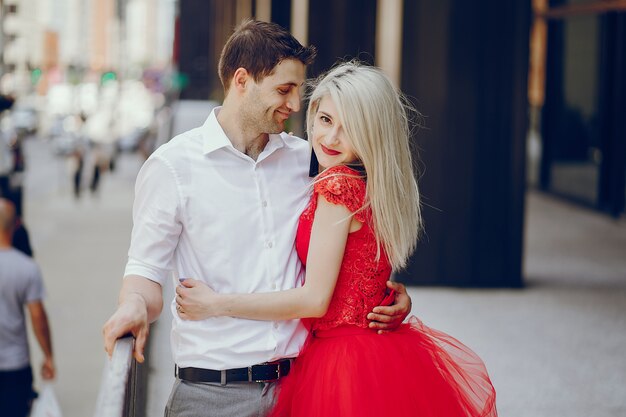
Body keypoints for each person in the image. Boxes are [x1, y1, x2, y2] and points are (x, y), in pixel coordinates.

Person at [102, 19, 412, 417]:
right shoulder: (172, 167)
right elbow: (145, 269)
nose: (296, 105)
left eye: (299, 90)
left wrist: (387, 295)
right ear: (243, 81)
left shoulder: (311, 160)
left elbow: (355, 244)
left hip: (302, 386)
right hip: (212, 394)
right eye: (284, 90)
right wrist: (132, 305)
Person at [175, 62, 499, 417]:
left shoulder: (337, 186)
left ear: (373, 134)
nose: (329, 139)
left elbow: (314, 299)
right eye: (325, 120)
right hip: (379, 354)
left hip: (342, 362)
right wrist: (395, 298)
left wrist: (216, 304)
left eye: (350, 129)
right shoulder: (376, 184)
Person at [0, 198, 55, 417]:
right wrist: (48, 356)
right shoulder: (27, 268)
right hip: (16, 366)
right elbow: (37, 317)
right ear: (15, 226)